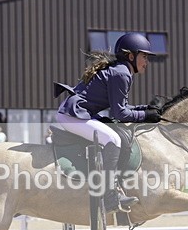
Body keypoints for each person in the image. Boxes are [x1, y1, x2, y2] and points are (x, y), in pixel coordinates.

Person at [55, 32, 162, 213]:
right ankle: (108, 195)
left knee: (118, 135)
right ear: (131, 56)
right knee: (113, 140)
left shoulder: (121, 70)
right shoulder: (122, 73)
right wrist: (145, 115)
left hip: (80, 113)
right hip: (74, 115)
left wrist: (146, 109)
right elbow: (119, 113)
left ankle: (114, 187)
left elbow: (122, 107)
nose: (147, 62)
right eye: (144, 56)